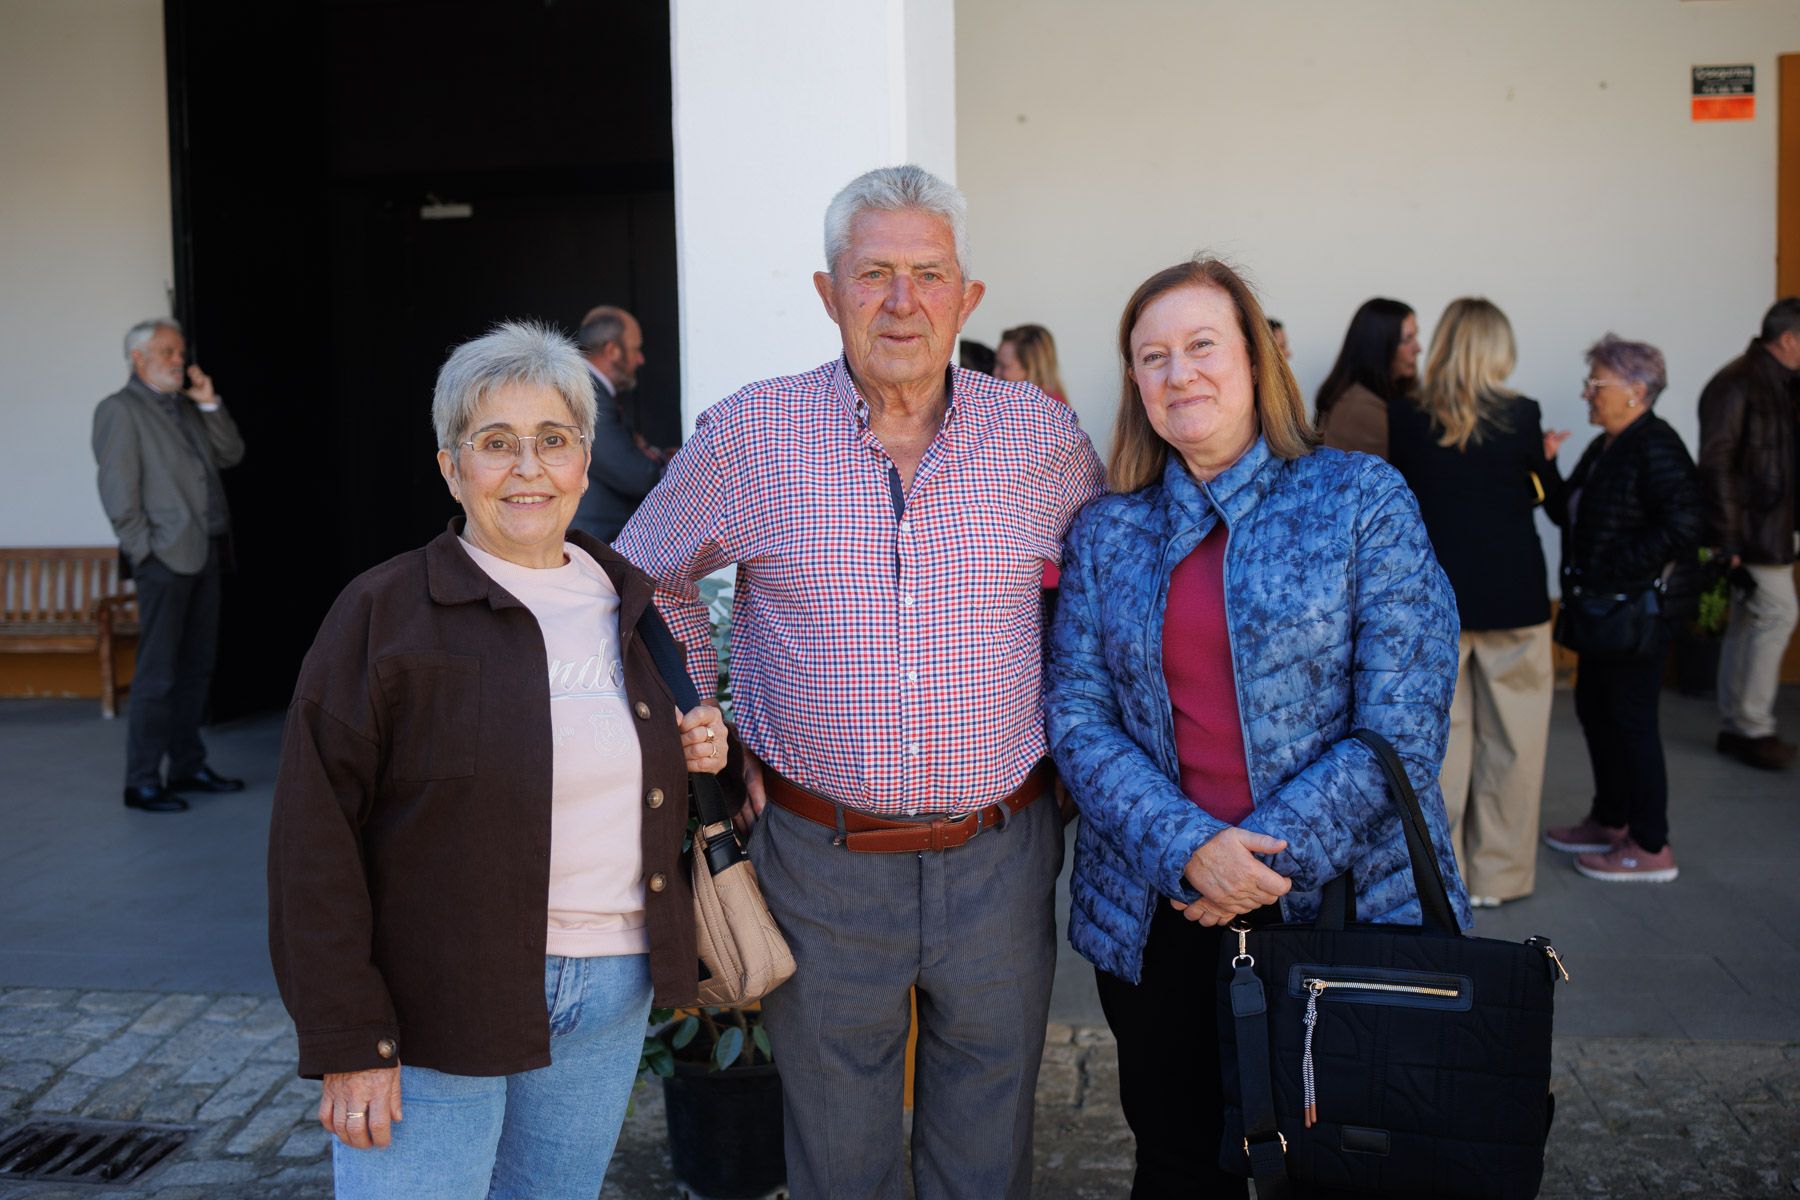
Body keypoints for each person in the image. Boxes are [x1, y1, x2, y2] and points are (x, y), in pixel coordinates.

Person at [614, 164, 1106, 1200]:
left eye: (928, 275)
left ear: (967, 297)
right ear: (827, 291)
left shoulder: (1041, 439)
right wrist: (710, 725)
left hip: (1001, 854)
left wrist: (1081, 736)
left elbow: (1107, 595)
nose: (901, 301)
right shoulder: (753, 435)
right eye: (872, 273)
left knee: (988, 1148)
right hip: (819, 859)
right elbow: (643, 576)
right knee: (840, 1155)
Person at [267, 322, 729, 1200]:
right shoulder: (384, 613)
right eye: (495, 444)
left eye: (553, 440)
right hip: (436, 994)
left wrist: (701, 749)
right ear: (450, 466)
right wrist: (347, 1036)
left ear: (585, 461)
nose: (528, 469)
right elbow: (311, 841)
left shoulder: (628, 602)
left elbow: (640, 783)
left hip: (608, 992)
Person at [1046, 258, 1469, 1199]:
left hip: (1339, 905)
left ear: (1256, 360)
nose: (1178, 372)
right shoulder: (1108, 534)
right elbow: (1076, 716)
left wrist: (1258, 865)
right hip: (1165, 911)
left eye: (1202, 345)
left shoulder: (1361, 500)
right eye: (1150, 357)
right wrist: (1192, 848)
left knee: (1344, 1162)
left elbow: (1402, 719)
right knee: (1178, 1161)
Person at [1388, 298, 1564, 908]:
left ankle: (1446, 873)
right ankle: (1503, 874)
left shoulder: (1406, 416)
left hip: (1437, 599)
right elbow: (1543, 497)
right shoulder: (1521, 416)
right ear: (1497, 348)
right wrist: (1548, 461)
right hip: (1515, 595)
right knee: (1518, 742)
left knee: (1444, 742)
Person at [1541, 335, 1703, 883]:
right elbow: (1566, 512)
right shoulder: (1605, 444)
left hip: (1637, 614)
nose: (1587, 393)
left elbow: (1684, 524)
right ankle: (1610, 820)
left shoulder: (1656, 444)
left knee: (1631, 722)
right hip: (1605, 613)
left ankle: (1651, 845)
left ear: (1637, 391)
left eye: (1598, 384)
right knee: (1596, 710)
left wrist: (1616, 566)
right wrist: (1545, 469)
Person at [92, 318, 247, 813]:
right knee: (157, 674)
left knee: (196, 668)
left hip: (206, 550)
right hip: (163, 558)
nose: (179, 360)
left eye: (180, 351)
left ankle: (186, 765)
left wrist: (207, 401)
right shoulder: (119, 410)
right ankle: (140, 780)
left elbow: (231, 452)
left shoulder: (185, 405)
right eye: (167, 352)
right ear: (139, 359)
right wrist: (145, 550)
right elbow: (118, 492)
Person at [1698, 297, 1800, 771]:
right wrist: (1729, 539)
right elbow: (1716, 464)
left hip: (1768, 528)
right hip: (1755, 532)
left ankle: (1737, 723)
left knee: (1751, 619)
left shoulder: (1779, 383)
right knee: (1777, 613)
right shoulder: (1738, 383)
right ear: (1788, 340)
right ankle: (1752, 725)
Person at [568, 305, 666, 543]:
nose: (640, 359)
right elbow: (636, 475)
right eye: (636, 350)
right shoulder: (587, 394)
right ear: (612, 351)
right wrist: (667, 463)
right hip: (593, 541)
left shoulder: (587, 388)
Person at [1314, 297, 1420, 458]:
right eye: (1407, 339)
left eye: (1415, 337)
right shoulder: (1360, 409)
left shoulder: (1391, 396)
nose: (1418, 348)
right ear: (1379, 345)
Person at [995, 322, 1068, 402]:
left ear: (1031, 368)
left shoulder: (1042, 407)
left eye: (1004, 366)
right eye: (997, 363)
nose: (995, 371)